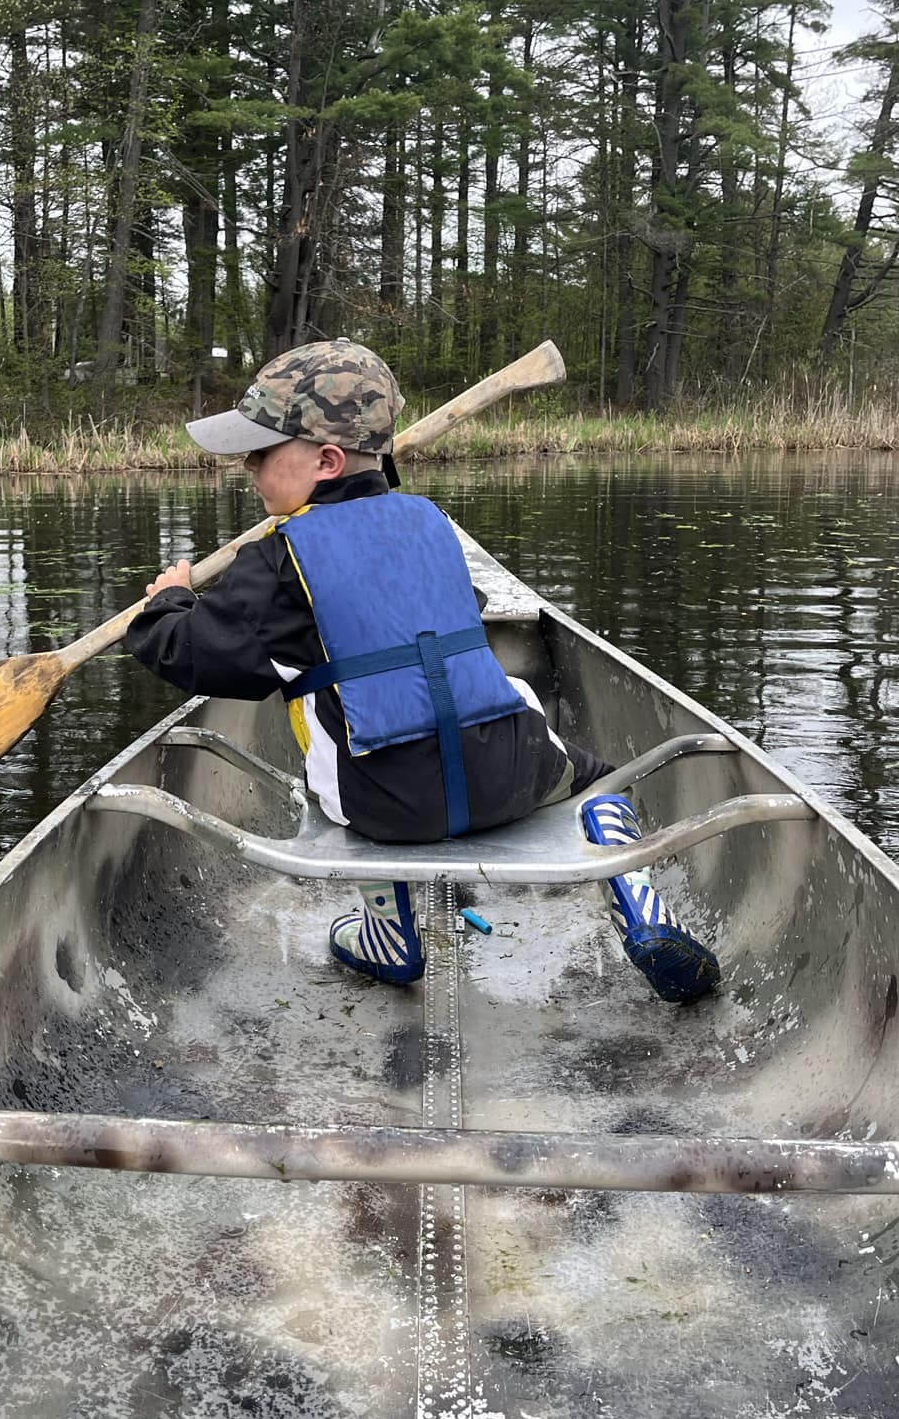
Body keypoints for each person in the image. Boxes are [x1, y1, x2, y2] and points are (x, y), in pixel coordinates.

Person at [126, 339, 717, 1003]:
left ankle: (388, 934)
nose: (248, 468)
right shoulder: (431, 525)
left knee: (323, 765)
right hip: (512, 775)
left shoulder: (274, 560)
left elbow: (191, 653)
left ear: (325, 460)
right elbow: (464, 609)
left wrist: (168, 601)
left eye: (260, 454)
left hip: (387, 805)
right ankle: (638, 902)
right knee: (601, 782)